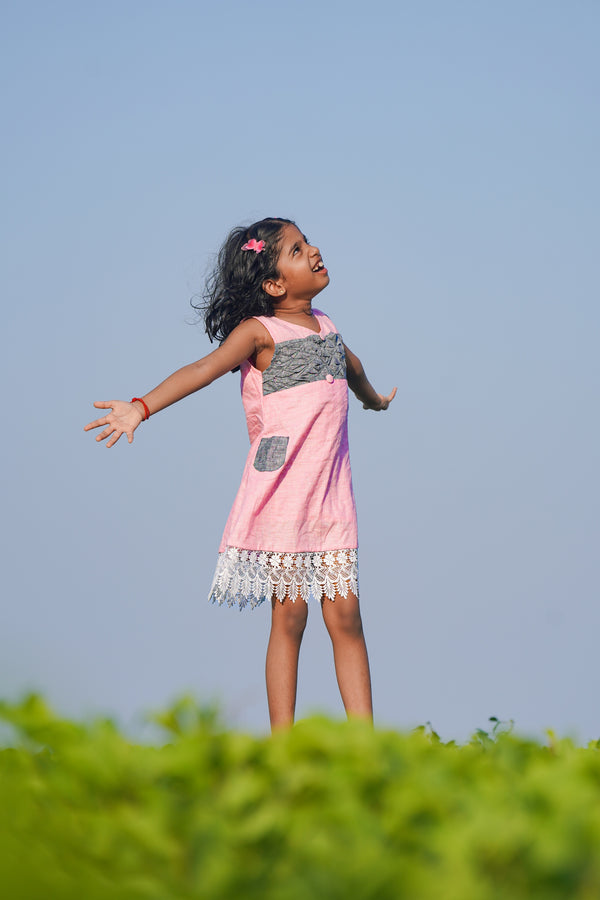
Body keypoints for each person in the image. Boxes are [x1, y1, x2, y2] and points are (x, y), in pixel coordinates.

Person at [85, 217, 396, 730]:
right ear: (274, 285)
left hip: (331, 500)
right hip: (283, 496)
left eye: (307, 241)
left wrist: (374, 402)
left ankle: (366, 748)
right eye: (298, 250)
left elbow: (353, 369)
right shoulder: (260, 333)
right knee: (290, 617)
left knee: (346, 619)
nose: (314, 250)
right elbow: (203, 370)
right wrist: (141, 407)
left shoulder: (330, 328)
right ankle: (284, 745)